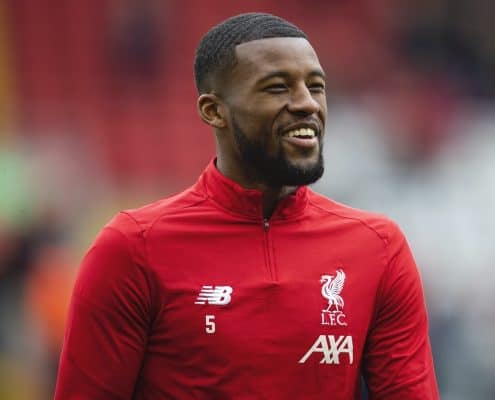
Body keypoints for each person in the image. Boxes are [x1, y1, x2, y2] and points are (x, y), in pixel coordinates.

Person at [54, 12, 439, 400]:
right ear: (214, 110)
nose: (306, 103)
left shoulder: (378, 248)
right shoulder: (133, 249)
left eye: (316, 86)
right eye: (276, 88)